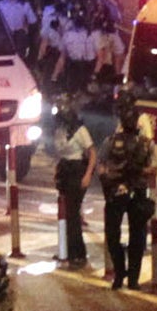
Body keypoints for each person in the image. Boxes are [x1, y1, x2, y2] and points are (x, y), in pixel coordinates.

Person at [98, 96, 157, 290]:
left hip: (137, 190)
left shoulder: (145, 144)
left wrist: (137, 172)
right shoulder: (112, 141)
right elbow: (101, 164)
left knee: (136, 237)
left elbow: (153, 168)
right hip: (117, 190)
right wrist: (109, 178)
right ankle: (121, 272)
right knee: (114, 235)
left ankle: (132, 278)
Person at [53, 101, 95, 268]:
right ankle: (67, 251)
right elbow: (59, 153)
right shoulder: (60, 131)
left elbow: (92, 153)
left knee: (72, 213)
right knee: (65, 213)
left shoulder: (80, 131)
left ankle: (78, 253)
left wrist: (87, 175)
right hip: (65, 170)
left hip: (77, 171)